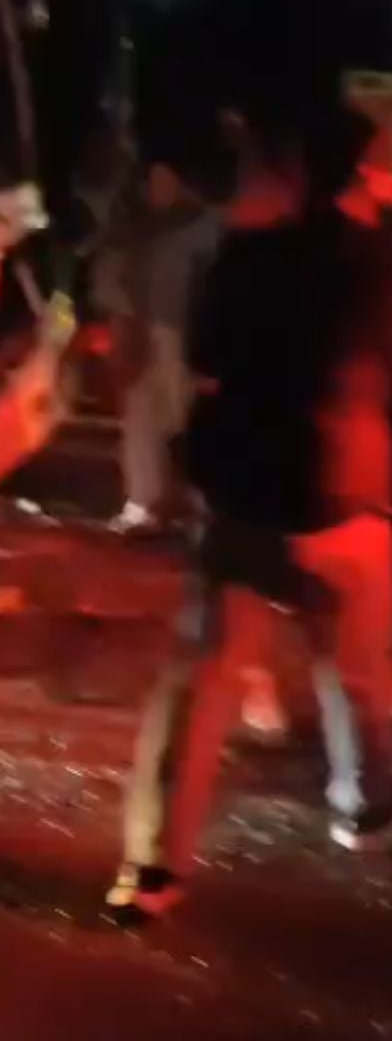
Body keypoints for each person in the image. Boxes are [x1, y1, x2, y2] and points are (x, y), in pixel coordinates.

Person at [106, 116, 392, 925]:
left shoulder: (244, 258)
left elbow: (207, 369)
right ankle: (364, 809)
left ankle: (155, 869)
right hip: (352, 506)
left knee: (206, 681)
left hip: (249, 504)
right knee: (360, 670)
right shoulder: (377, 261)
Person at [99, 162, 221, 535]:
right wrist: (124, 329)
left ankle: (202, 509)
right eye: (154, 181)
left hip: (184, 336)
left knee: (189, 421)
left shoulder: (209, 229)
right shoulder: (140, 231)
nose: (158, 190)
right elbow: (117, 279)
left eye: (166, 180)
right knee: (140, 417)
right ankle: (141, 503)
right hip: (145, 332)